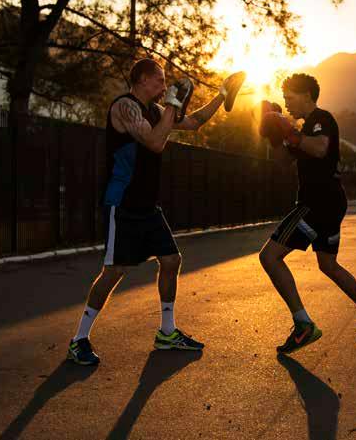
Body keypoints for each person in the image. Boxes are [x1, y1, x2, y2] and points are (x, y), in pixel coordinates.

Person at [68, 58, 245, 365]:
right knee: (114, 272)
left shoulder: (156, 111)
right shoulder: (125, 108)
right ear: (142, 80)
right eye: (160, 81)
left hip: (148, 205)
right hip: (122, 202)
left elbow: (194, 123)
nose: (165, 87)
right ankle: (78, 339)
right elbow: (152, 140)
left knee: (171, 260)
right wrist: (174, 104)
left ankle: (167, 331)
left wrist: (221, 93)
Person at [258, 73, 356, 354]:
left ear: (306, 94)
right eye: (284, 99)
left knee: (269, 256)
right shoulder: (302, 128)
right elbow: (282, 162)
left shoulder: (322, 119)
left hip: (317, 203)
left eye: (290, 98)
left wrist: (287, 127)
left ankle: (303, 324)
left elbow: (319, 149)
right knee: (328, 265)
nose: (287, 103)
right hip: (329, 203)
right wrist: (273, 132)